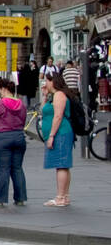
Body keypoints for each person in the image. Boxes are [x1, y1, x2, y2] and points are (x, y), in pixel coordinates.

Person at [0, 77, 27, 207]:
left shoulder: (1, 103)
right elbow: (24, 120)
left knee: (4, 170)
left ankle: (0, 199)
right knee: (17, 168)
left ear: (3, 89)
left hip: (3, 137)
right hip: (19, 136)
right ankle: (20, 198)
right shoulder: (21, 104)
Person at [40, 71, 75, 207]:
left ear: (53, 81)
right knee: (63, 165)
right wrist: (44, 96)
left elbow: (58, 116)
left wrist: (52, 136)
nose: (45, 84)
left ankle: (60, 197)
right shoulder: (53, 96)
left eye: (47, 81)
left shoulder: (59, 95)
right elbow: (44, 110)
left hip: (61, 133)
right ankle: (64, 196)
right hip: (60, 132)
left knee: (61, 164)